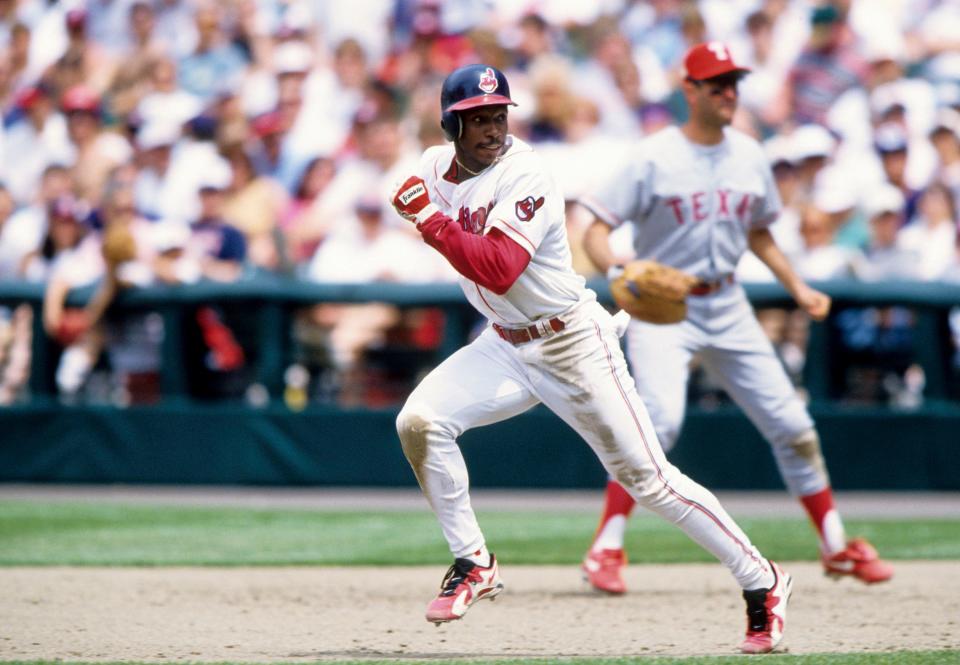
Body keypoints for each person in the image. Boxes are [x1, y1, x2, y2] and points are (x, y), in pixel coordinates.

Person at [388, 63, 792, 655]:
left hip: (572, 342)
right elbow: (440, 215)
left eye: (499, 114)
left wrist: (428, 220)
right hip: (505, 343)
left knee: (649, 481)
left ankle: (763, 580)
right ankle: (473, 562)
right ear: (451, 124)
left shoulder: (526, 173)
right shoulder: (433, 167)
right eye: (477, 118)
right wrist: (430, 213)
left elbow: (499, 267)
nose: (492, 127)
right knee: (419, 422)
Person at [576, 42, 894, 597]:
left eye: (733, 83)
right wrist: (617, 267)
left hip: (726, 302)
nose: (728, 92)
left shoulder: (750, 154)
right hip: (664, 306)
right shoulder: (652, 156)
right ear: (690, 91)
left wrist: (798, 286)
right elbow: (595, 229)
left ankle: (836, 545)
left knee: (792, 425)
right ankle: (607, 545)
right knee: (658, 423)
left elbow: (758, 231)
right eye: (716, 83)